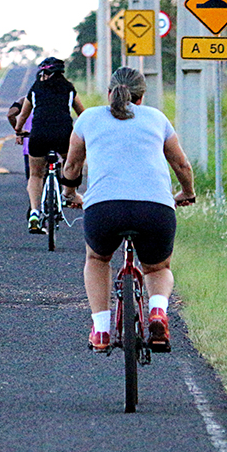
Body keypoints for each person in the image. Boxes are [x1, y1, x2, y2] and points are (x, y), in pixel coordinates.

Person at [61, 66, 196, 353]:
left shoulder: (88, 118)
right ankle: (158, 311)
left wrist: (71, 193)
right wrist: (187, 192)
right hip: (155, 208)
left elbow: (72, 166)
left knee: (97, 259)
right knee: (158, 267)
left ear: (110, 93)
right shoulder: (156, 119)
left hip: (104, 209)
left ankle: (101, 329)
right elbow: (182, 165)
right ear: (141, 96)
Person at [14, 57, 86, 234]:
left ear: (45, 73)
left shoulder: (36, 88)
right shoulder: (69, 88)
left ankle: (35, 213)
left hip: (39, 135)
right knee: (72, 163)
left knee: (36, 174)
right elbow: (82, 114)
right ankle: (69, 193)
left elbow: (23, 115)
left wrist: (18, 131)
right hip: (64, 135)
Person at [6, 97, 31, 180]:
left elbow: (10, 115)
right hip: (58, 138)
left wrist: (19, 132)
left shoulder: (29, 97)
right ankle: (67, 191)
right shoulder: (64, 94)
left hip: (32, 140)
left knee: (35, 176)